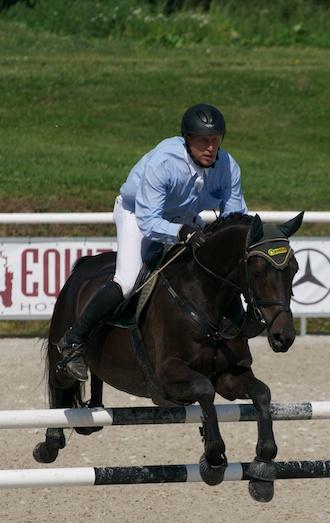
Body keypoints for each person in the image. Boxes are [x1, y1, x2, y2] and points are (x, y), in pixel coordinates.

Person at [57, 103, 249, 381]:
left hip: (183, 218)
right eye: (203, 140)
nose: (211, 147)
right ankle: (73, 341)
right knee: (127, 281)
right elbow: (149, 221)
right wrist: (182, 233)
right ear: (187, 139)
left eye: (216, 140)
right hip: (138, 215)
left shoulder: (228, 166)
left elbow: (235, 218)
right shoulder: (165, 162)